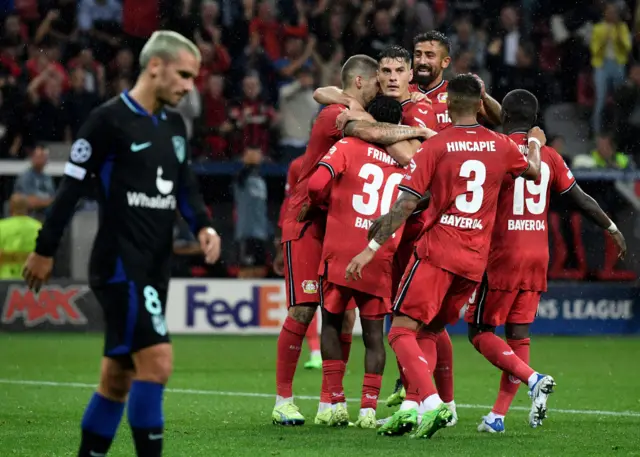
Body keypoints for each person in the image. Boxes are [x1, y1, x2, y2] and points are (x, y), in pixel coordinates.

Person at [22, 31, 222, 457]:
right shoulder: (107, 121)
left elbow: (184, 185)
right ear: (156, 66)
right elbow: (69, 191)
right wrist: (44, 248)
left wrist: (203, 225)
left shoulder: (175, 124)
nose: (190, 86)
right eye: (184, 75)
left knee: (117, 378)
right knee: (158, 363)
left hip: (154, 265)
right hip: (119, 265)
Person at [346, 74, 545, 439]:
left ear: (449, 105)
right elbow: (532, 172)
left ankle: (432, 401)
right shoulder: (501, 145)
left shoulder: (437, 146)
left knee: (401, 331)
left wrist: (370, 247)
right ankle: (412, 407)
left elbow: (408, 202)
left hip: (438, 252)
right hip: (474, 261)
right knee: (432, 330)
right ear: (482, 103)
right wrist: (533, 141)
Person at [273, 54, 433, 426]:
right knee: (304, 309)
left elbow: (324, 93)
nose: (385, 83)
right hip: (306, 219)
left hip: (332, 220)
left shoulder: (343, 105)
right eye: (378, 78)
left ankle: (332, 403)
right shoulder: (339, 117)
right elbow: (384, 139)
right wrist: (420, 134)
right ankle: (283, 399)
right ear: (361, 82)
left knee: (341, 317)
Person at [464, 89, 627, 433]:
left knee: (479, 331)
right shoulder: (549, 155)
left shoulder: (496, 148)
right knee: (518, 336)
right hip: (538, 255)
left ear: (503, 116)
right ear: (535, 119)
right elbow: (580, 198)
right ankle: (497, 417)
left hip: (503, 254)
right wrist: (611, 227)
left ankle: (533, 378)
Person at [307, 96, 406, 429]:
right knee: (375, 335)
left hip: (342, 247)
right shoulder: (406, 158)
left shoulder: (349, 145)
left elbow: (316, 183)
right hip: (380, 251)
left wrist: (324, 205)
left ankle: (335, 403)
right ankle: (368, 410)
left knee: (333, 323)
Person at [274, 155, 323, 370]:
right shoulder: (297, 165)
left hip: (336, 236)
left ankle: (333, 368)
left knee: (338, 307)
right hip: (305, 236)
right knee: (306, 300)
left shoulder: (349, 156)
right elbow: (290, 201)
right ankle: (315, 352)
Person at [0, 194, 42, 279]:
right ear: (27, 208)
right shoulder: (39, 227)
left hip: (5, 280)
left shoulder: (1, 226)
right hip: (32, 279)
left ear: (10, 207)